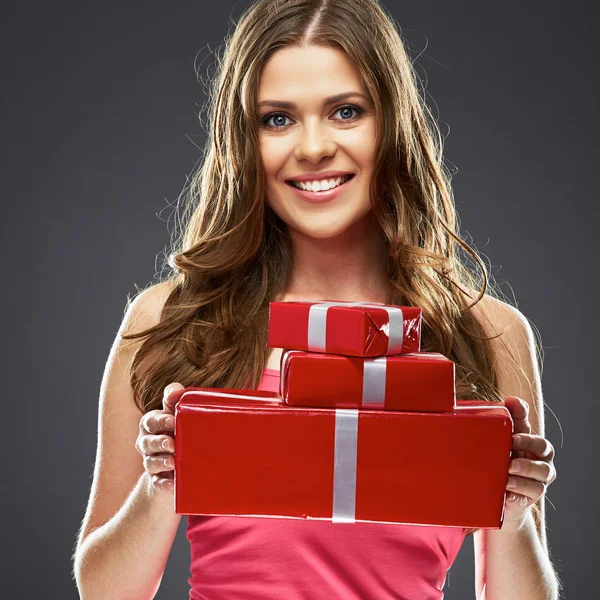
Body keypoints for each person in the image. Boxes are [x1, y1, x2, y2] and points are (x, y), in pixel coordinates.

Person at [72, 0, 561, 598]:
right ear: (245, 139)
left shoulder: (489, 333)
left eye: (346, 112)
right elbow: (102, 589)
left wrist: (512, 511)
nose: (312, 147)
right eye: (277, 119)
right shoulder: (173, 321)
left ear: (392, 125)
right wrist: (164, 485)